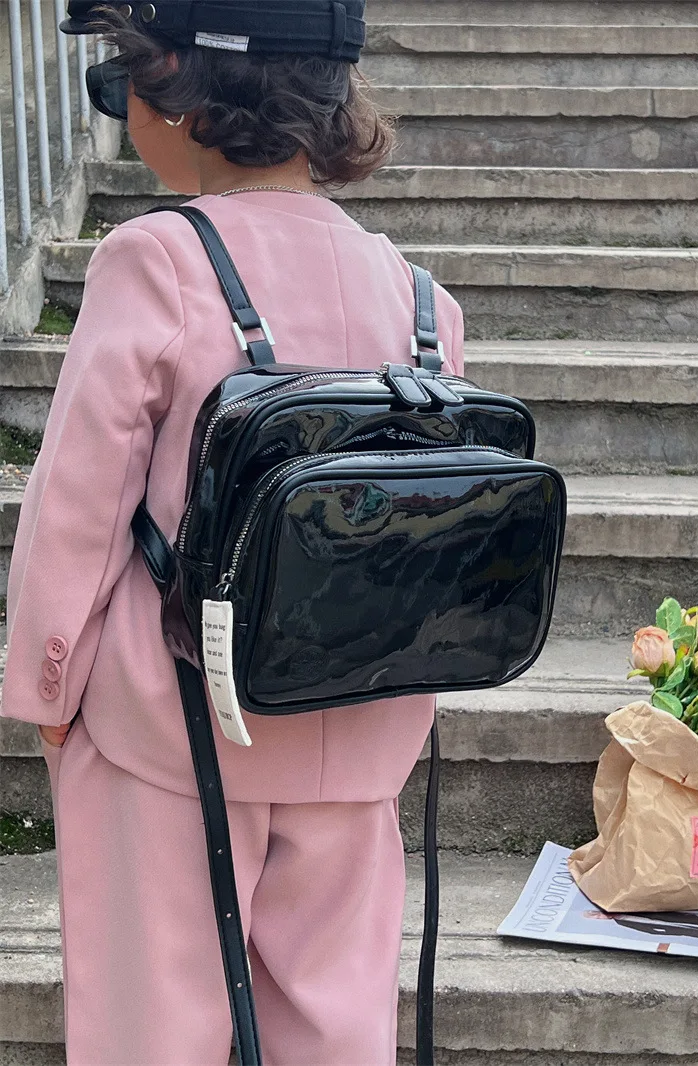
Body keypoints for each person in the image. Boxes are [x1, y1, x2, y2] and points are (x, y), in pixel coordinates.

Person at [0, 2, 464, 1063]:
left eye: (124, 82)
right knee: (333, 1028)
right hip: (356, 729)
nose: (123, 113)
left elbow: (77, 504)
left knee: (151, 1027)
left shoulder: (156, 259)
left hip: (171, 727)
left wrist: (48, 690)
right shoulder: (419, 297)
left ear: (190, 96)